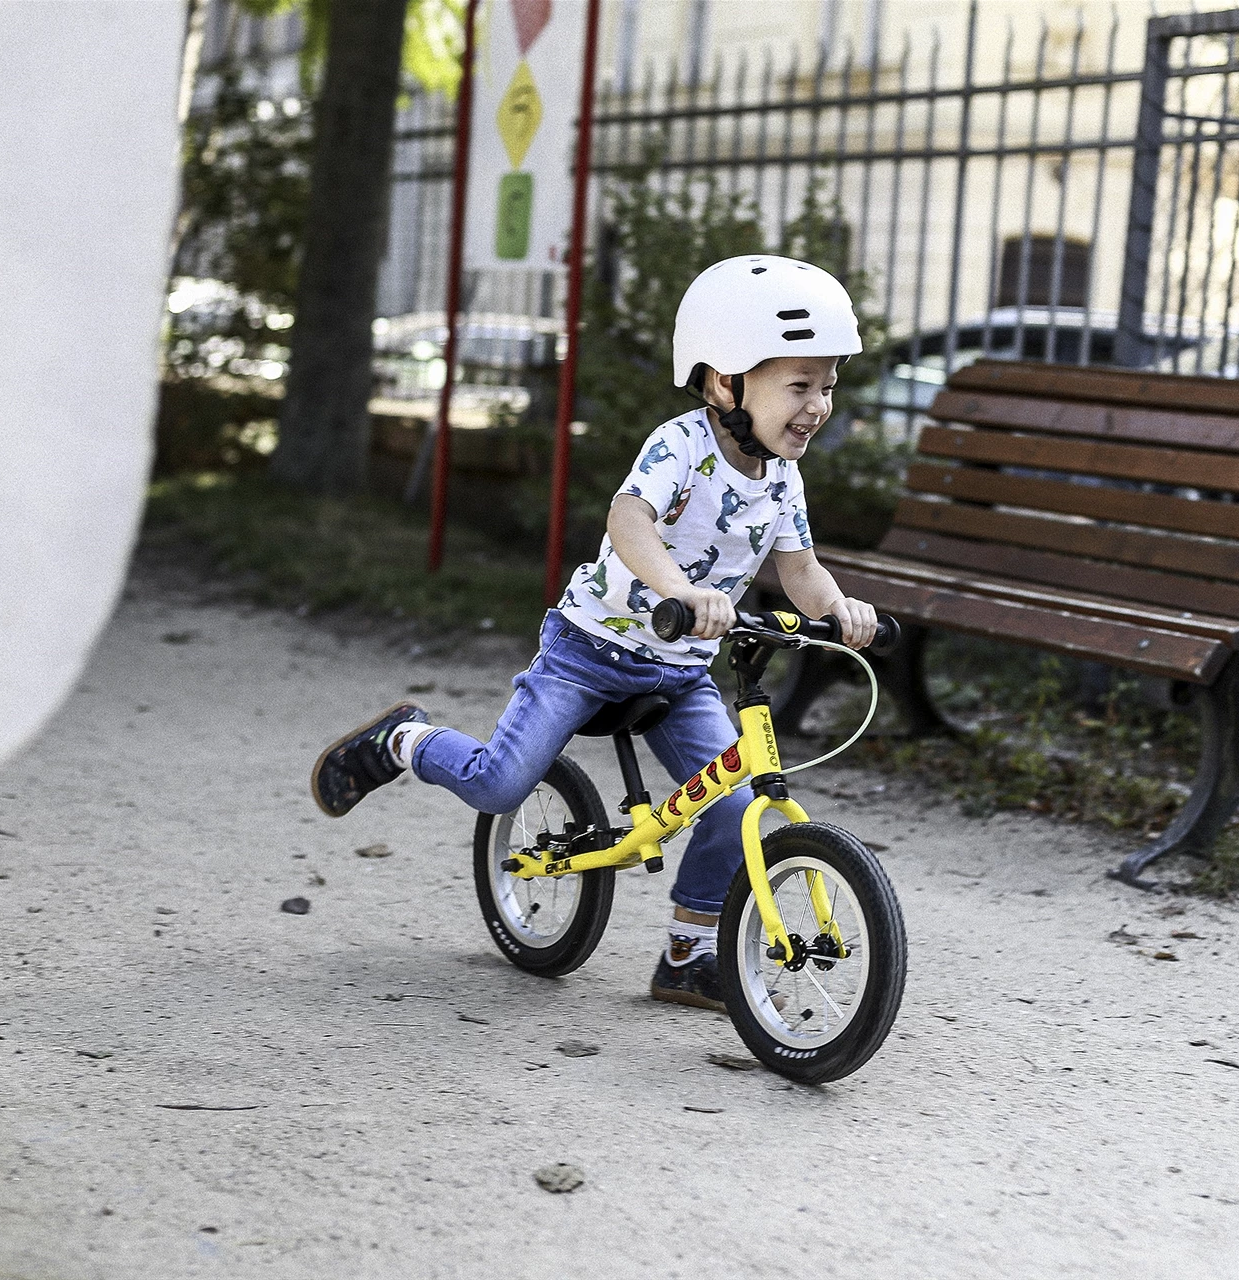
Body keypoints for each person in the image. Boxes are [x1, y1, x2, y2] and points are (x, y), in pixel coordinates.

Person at [308, 255, 879, 1010]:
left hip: (678, 670)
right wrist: (678, 588)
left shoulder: (782, 476)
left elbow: (799, 568)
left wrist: (841, 608)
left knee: (735, 807)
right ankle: (405, 740)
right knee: (501, 782)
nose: (817, 406)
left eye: (827, 387)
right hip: (589, 651)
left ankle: (689, 954)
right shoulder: (681, 445)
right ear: (723, 382)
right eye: (799, 386)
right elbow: (629, 518)